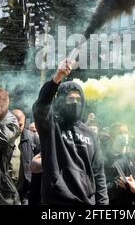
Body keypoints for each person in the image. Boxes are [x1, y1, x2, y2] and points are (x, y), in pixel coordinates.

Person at [32, 59, 109, 205]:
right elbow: (41, 105)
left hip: (87, 202)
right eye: (70, 98)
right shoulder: (51, 126)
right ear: (61, 100)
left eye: (78, 99)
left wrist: (103, 205)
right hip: (57, 201)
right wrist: (57, 78)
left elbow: (99, 174)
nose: (75, 102)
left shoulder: (91, 135)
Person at [104, 123, 135, 205]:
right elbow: (99, 186)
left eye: (126, 132)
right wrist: (118, 184)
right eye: (120, 133)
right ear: (112, 137)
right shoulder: (104, 159)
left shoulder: (134, 155)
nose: (124, 136)